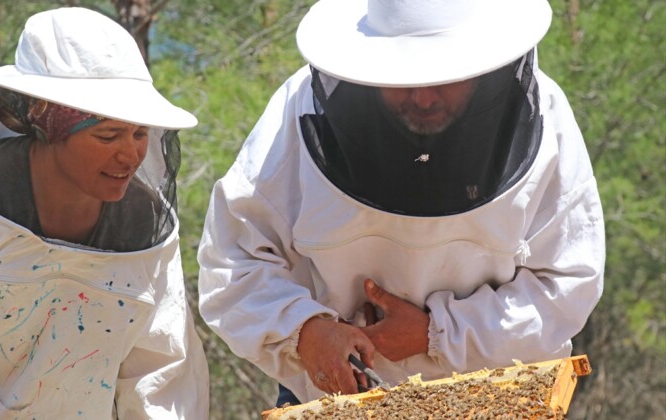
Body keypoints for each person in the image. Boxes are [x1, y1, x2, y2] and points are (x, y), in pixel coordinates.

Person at [197, 0, 605, 406]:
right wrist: (303, 331)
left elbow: (568, 284)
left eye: (446, 77)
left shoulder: (545, 116)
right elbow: (233, 261)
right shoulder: (299, 112)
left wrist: (440, 331)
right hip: (340, 398)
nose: (423, 99)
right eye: (403, 79)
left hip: (497, 397)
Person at [0, 7, 208, 419]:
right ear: (45, 124)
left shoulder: (144, 225)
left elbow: (160, 369)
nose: (131, 154)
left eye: (140, 134)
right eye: (108, 135)